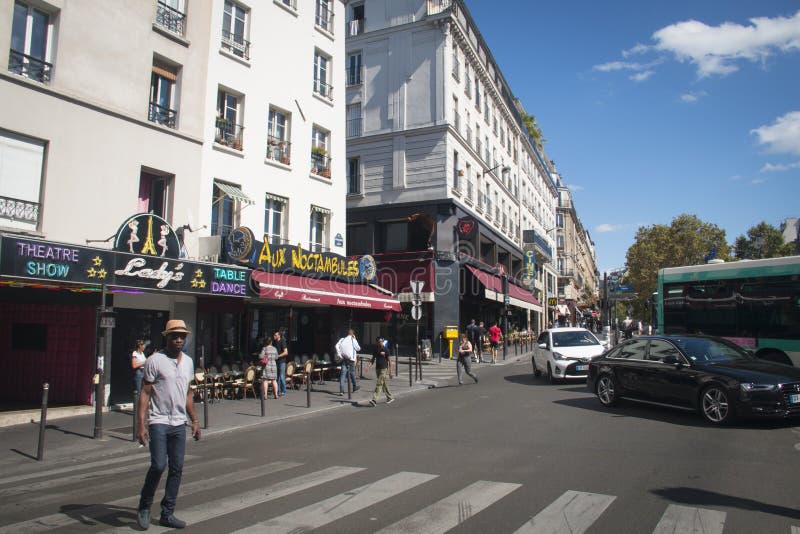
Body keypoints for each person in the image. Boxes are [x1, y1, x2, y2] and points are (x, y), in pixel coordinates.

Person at [136, 319, 200, 530]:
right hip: (158, 420)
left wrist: (195, 421)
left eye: (182, 336)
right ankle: (145, 505)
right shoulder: (155, 360)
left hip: (179, 422)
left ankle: (168, 512)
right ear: (167, 337)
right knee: (158, 465)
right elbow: (145, 392)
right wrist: (141, 424)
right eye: (174, 336)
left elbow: (188, 393)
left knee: (177, 468)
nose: (179, 339)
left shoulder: (188, 362)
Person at [367, 336, 393, 406]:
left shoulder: (386, 349)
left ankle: (374, 400)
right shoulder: (376, 349)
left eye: (381, 341)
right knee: (383, 383)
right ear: (377, 342)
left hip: (384, 369)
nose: (380, 343)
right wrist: (368, 367)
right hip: (377, 368)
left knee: (379, 383)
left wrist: (390, 371)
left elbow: (390, 361)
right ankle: (390, 397)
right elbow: (372, 359)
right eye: (379, 342)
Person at [336, 329, 360, 396]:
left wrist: (339, 354)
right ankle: (354, 387)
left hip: (344, 359)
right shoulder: (353, 340)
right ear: (352, 334)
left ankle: (341, 391)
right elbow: (358, 348)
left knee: (343, 374)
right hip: (351, 360)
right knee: (352, 373)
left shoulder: (342, 339)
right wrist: (354, 339)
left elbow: (336, 346)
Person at [273, 330, 289, 396]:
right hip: (276, 361)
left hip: (282, 361)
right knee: (277, 377)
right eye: (274, 335)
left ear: (279, 336)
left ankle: (284, 391)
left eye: (275, 335)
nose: (274, 336)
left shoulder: (282, 341)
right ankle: (278, 390)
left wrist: (278, 356)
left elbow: (286, 352)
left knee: (282, 376)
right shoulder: (274, 342)